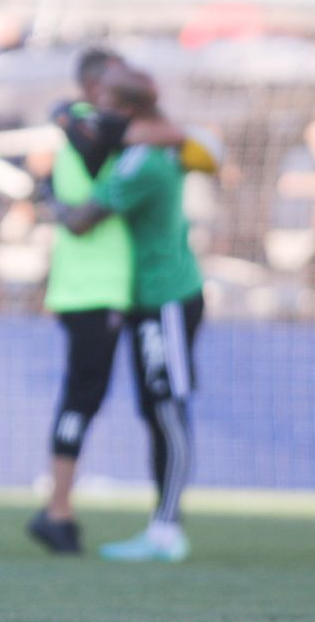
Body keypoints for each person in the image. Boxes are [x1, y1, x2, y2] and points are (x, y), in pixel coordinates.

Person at [29, 48, 216, 555]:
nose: (93, 108)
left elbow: (81, 219)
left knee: (167, 410)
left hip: (169, 297)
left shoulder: (143, 163)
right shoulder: (134, 148)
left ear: (126, 109)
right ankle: (160, 525)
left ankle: (167, 528)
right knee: (155, 409)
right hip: (144, 297)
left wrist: (46, 191)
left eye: (106, 101)